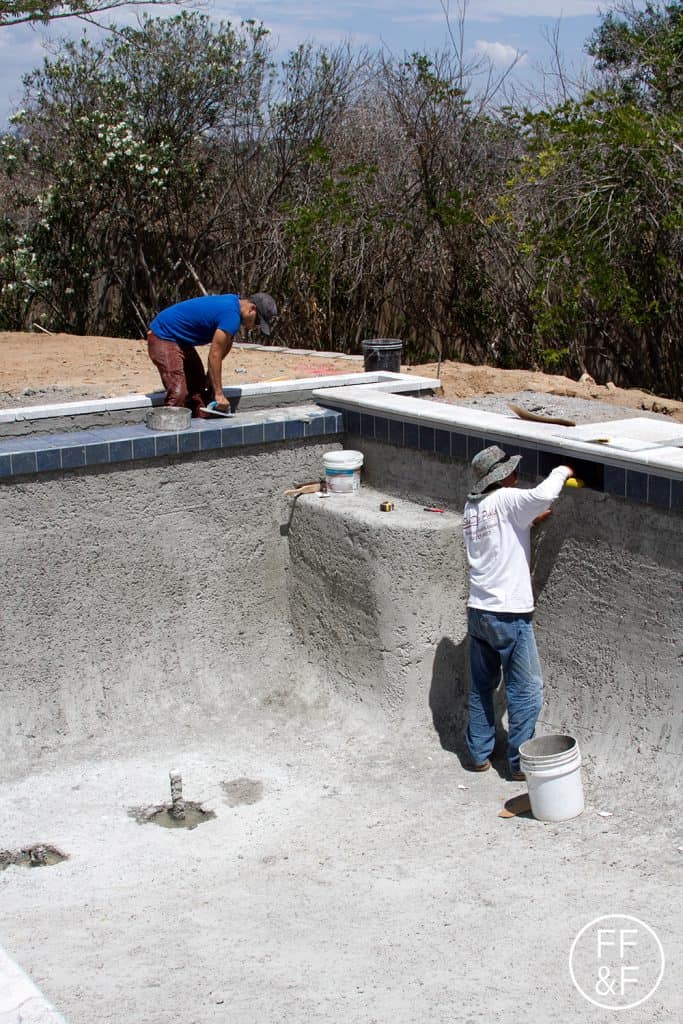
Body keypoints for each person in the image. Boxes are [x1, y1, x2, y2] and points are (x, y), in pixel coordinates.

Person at [462, 445, 573, 780]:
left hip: (479, 610)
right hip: (509, 613)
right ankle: (519, 765)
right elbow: (544, 494)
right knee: (525, 690)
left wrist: (528, 521)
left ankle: (479, 755)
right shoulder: (507, 500)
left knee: (482, 686)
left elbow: (500, 535)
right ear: (501, 477)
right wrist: (564, 470)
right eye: (511, 471)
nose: (516, 474)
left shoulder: (472, 507)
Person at [147, 292, 277, 416]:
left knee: (198, 387)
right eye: (257, 321)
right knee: (179, 393)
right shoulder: (231, 315)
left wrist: (211, 377)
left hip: (181, 341)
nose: (255, 326)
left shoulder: (233, 308)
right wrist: (219, 394)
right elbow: (214, 354)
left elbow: (225, 346)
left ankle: (199, 427)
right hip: (163, 336)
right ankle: (168, 431)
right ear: (251, 309)